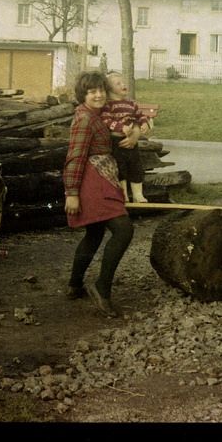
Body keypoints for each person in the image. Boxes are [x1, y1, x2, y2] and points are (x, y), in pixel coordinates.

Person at [63, 70, 136, 317]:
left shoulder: (98, 114)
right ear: (82, 95)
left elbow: (133, 121)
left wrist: (135, 133)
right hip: (92, 181)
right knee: (124, 230)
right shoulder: (85, 119)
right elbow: (75, 157)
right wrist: (72, 193)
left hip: (102, 176)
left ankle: (74, 285)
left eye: (101, 90)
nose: (98, 95)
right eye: (92, 91)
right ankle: (101, 288)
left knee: (94, 233)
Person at [100, 71, 150, 203]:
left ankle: (138, 195)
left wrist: (144, 123)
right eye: (118, 83)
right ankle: (124, 195)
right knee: (120, 168)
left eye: (123, 82)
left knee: (135, 166)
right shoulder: (108, 105)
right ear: (110, 89)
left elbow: (140, 115)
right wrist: (120, 127)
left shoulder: (131, 103)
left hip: (132, 141)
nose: (123, 85)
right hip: (117, 141)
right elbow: (106, 120)